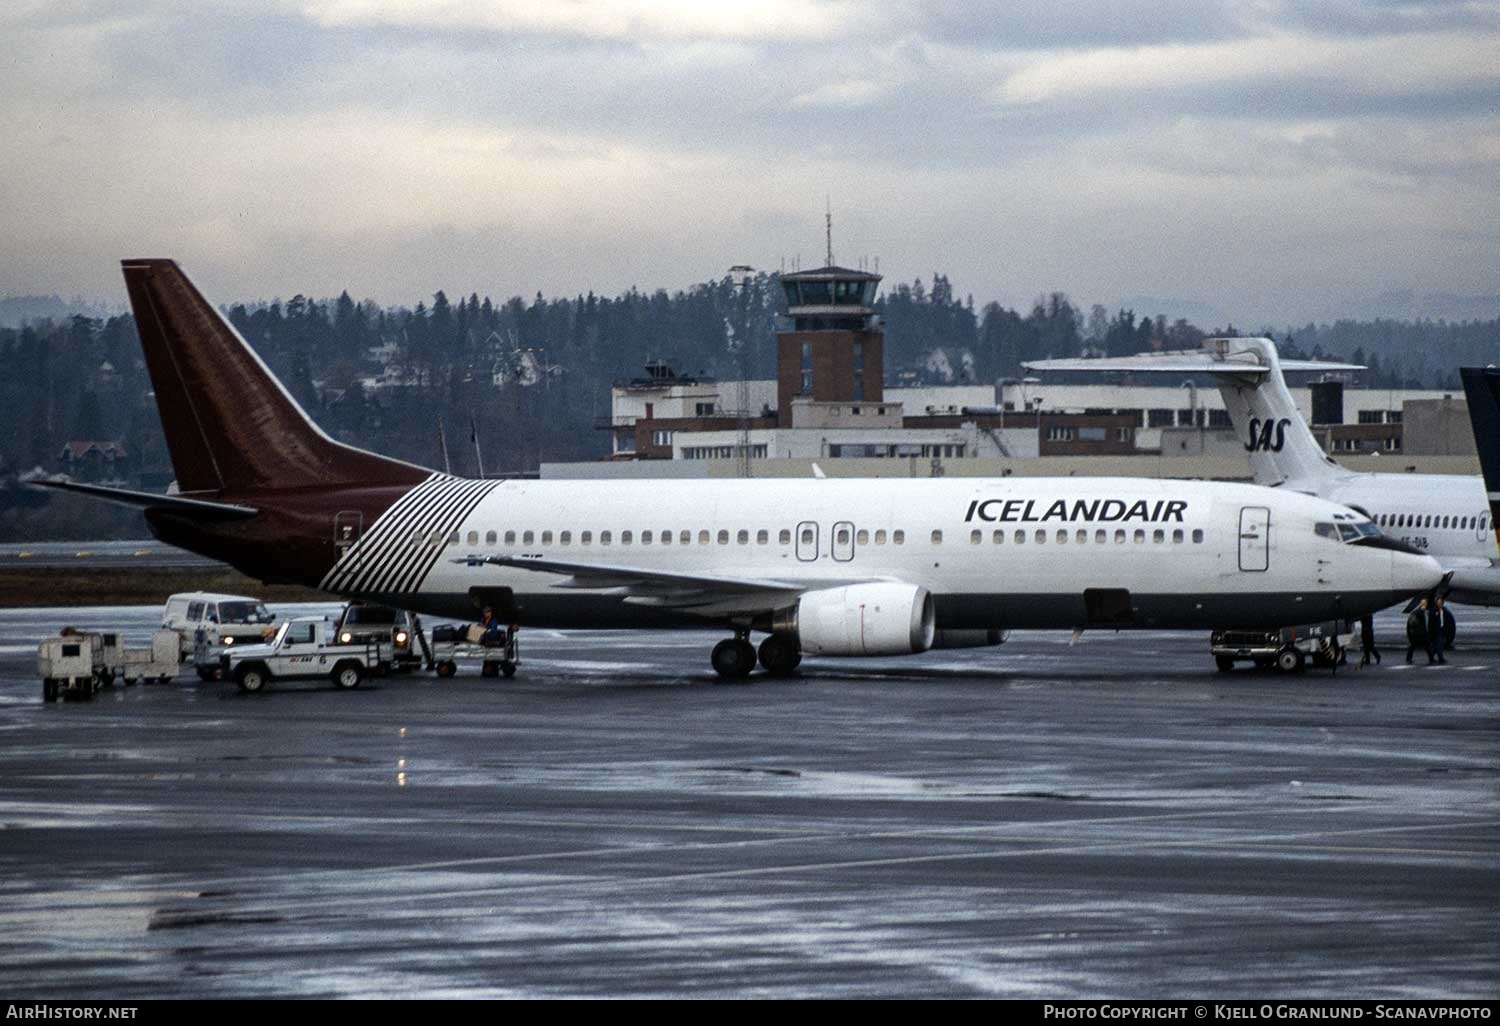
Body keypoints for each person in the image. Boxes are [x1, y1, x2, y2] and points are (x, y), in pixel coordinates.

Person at [1405, 598, 1428, 664]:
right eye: (1423, 603)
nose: (1424, 605)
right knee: (1414, 646)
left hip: (1419, 633)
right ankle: (1408, 659)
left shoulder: (1420, 612)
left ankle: (1408, 659)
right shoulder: (1418, 612)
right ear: (1420, 604)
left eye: (1425, 603)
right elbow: (1414, 623)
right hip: (1418, 633)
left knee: (1426, 646)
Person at [1428, 596, 1448, 665]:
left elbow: (1446, 620)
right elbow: (1431, 622)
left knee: (1440, 645)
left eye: (1441, 602)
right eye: (1438, 602)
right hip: (1436, 630)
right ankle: (1441, 658)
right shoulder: (1433, 611)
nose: (1440, 603)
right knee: (1438, 645)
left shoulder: (1444, 610)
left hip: (1442, 629)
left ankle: (1431, 656)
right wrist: (1430, 632)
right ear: (1436, 603)